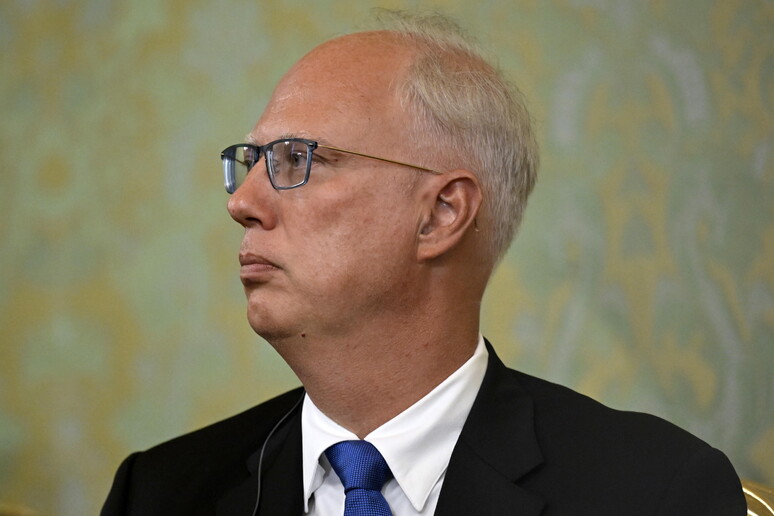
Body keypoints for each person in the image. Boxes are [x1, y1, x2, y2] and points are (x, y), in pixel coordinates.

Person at [101, 10, 746, 516]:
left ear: (441, 213)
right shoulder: (157, 493)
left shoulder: (652, 492)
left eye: (296, 159)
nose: (242, 203)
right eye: (250, 163)